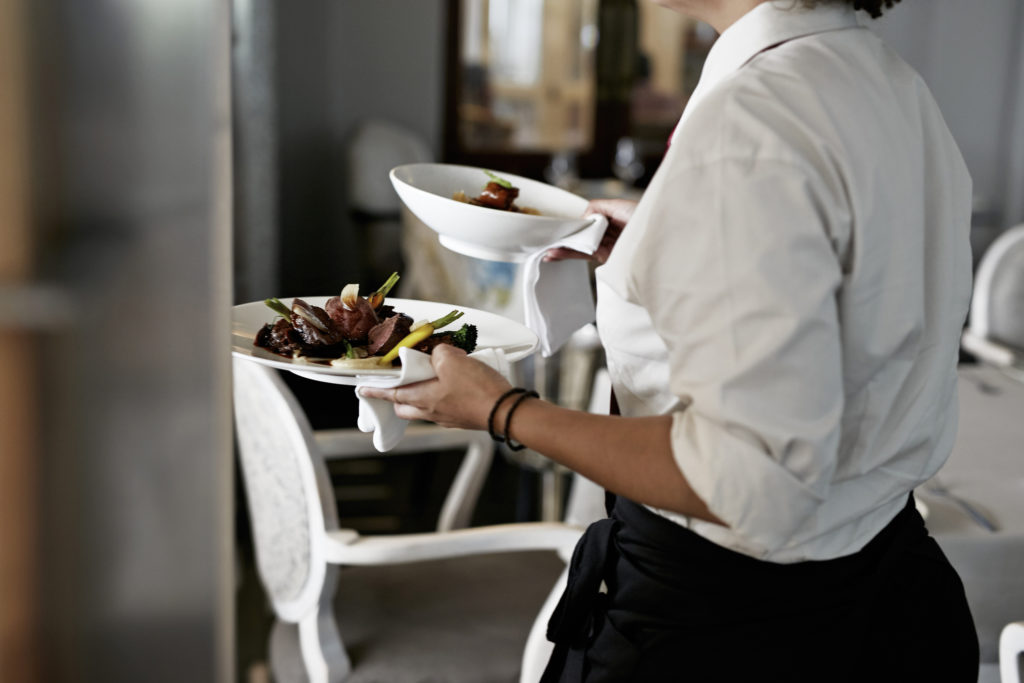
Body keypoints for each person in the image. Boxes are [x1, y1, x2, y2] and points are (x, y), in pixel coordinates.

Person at [362, 0, 980, 679]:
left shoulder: (753, 118)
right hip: (887, 610)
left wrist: (501, 410)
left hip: (730, 634)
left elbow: (752, 477)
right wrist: (665, 246)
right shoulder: (889, 82)